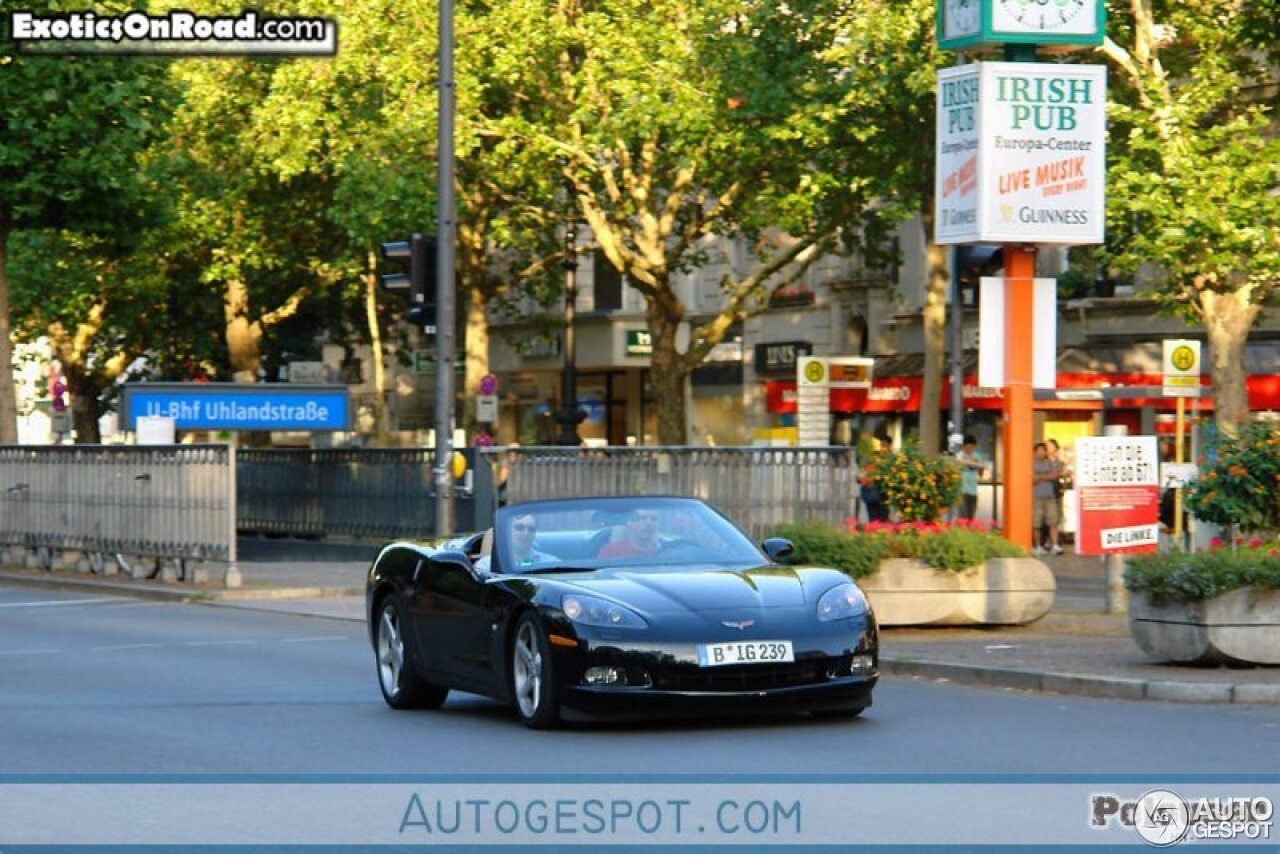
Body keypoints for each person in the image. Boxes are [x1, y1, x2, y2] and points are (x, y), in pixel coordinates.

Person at [475, 512, 558, 572]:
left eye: (531, 529)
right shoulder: (486, 566)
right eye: (519, 527)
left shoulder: (551, 563)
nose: (526, 533)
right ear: (507, 531)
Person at [1032, 442, 1063, 555]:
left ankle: (1054, 545)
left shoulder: (1050, 462)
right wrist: (1046, 476)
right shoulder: (1030, 464)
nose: (1041, 452)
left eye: (1043, 450)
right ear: (1034, 452)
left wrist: (1039, 477)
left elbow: (1054, 476)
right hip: (1036, 497)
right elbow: (1031, 479)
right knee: (1036, 523)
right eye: (1038, 450)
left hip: (1050, 496)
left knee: (1053, 522)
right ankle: (1038, 546)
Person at [598, 508, 663, 558]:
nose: (649, 523)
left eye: (653, 519)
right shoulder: (610, 551)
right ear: (631, 522)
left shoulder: (663, 552)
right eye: (643, 518)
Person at [954, 435, 986, 521]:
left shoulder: (977, 456)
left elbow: (981, 473)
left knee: (971, 517)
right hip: (962, 490)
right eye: (968, 447)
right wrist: (971, 463)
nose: (970, 449)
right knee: (963, 517)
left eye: (972, 447)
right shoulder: (959, 455)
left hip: (973, 490)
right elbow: (958, 466)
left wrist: (981, 468)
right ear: (963, 446)